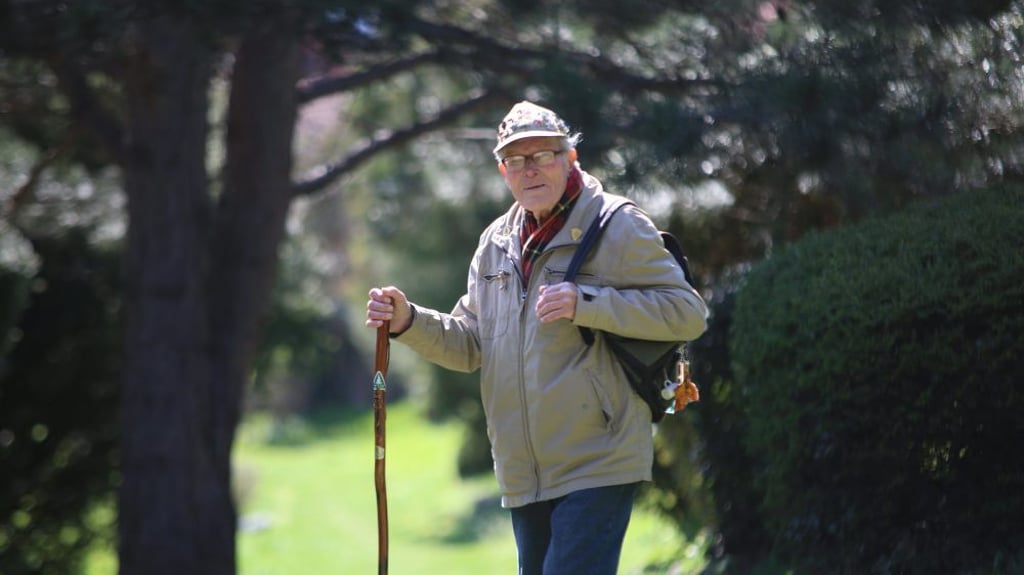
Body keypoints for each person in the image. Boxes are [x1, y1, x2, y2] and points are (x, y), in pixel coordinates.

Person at [365, 101, 708, 575]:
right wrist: (408, 321)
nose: (530, 169)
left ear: (570, 159)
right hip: (522, 472)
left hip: (598, 458)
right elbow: (471, 346)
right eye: (516, 160)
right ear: (503, 171)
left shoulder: (617, 224)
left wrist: (586, 302)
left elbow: (688, 313)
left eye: (543, 155)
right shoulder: (494, 243)